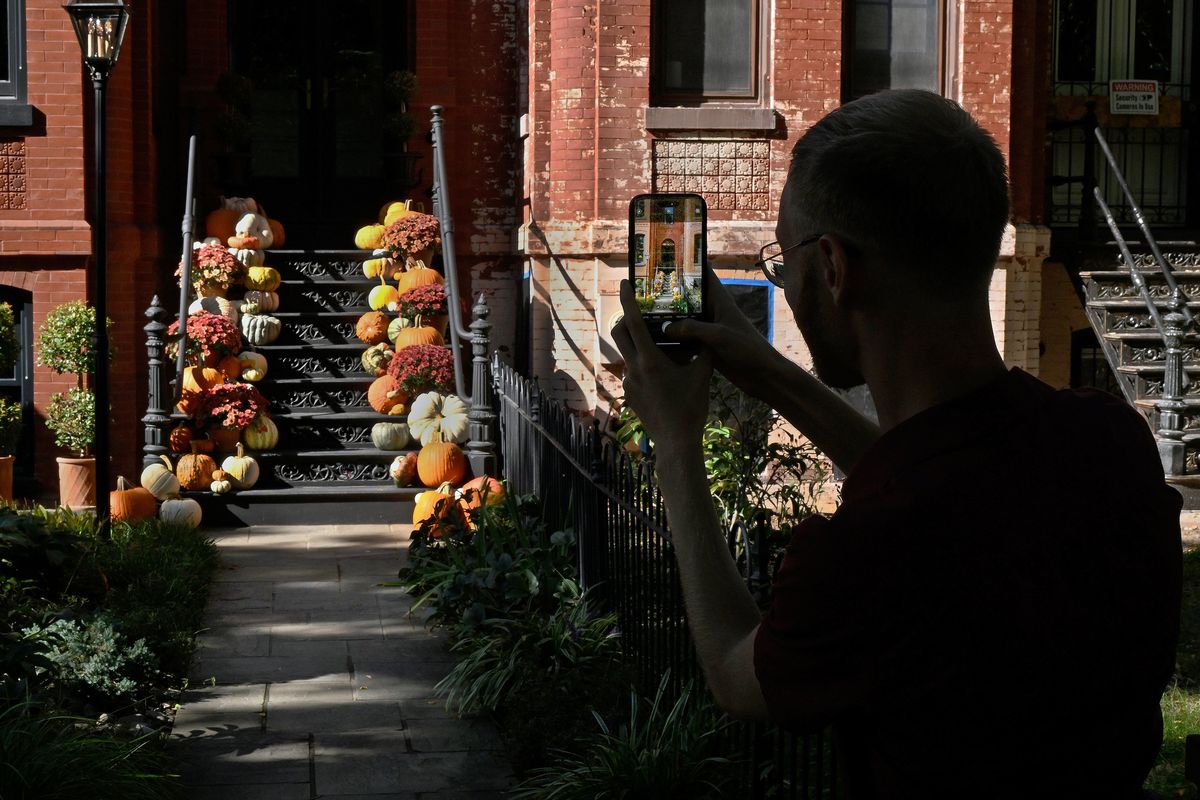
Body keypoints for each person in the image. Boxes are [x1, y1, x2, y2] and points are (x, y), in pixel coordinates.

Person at [610, 89, 1183, 799]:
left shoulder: (866, 552)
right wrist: (771, 374)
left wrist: (675, 442)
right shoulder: (1105, 444)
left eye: (783, 266)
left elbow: (736, 675)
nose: (784, 286)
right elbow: (938, 476)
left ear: (833, 268)